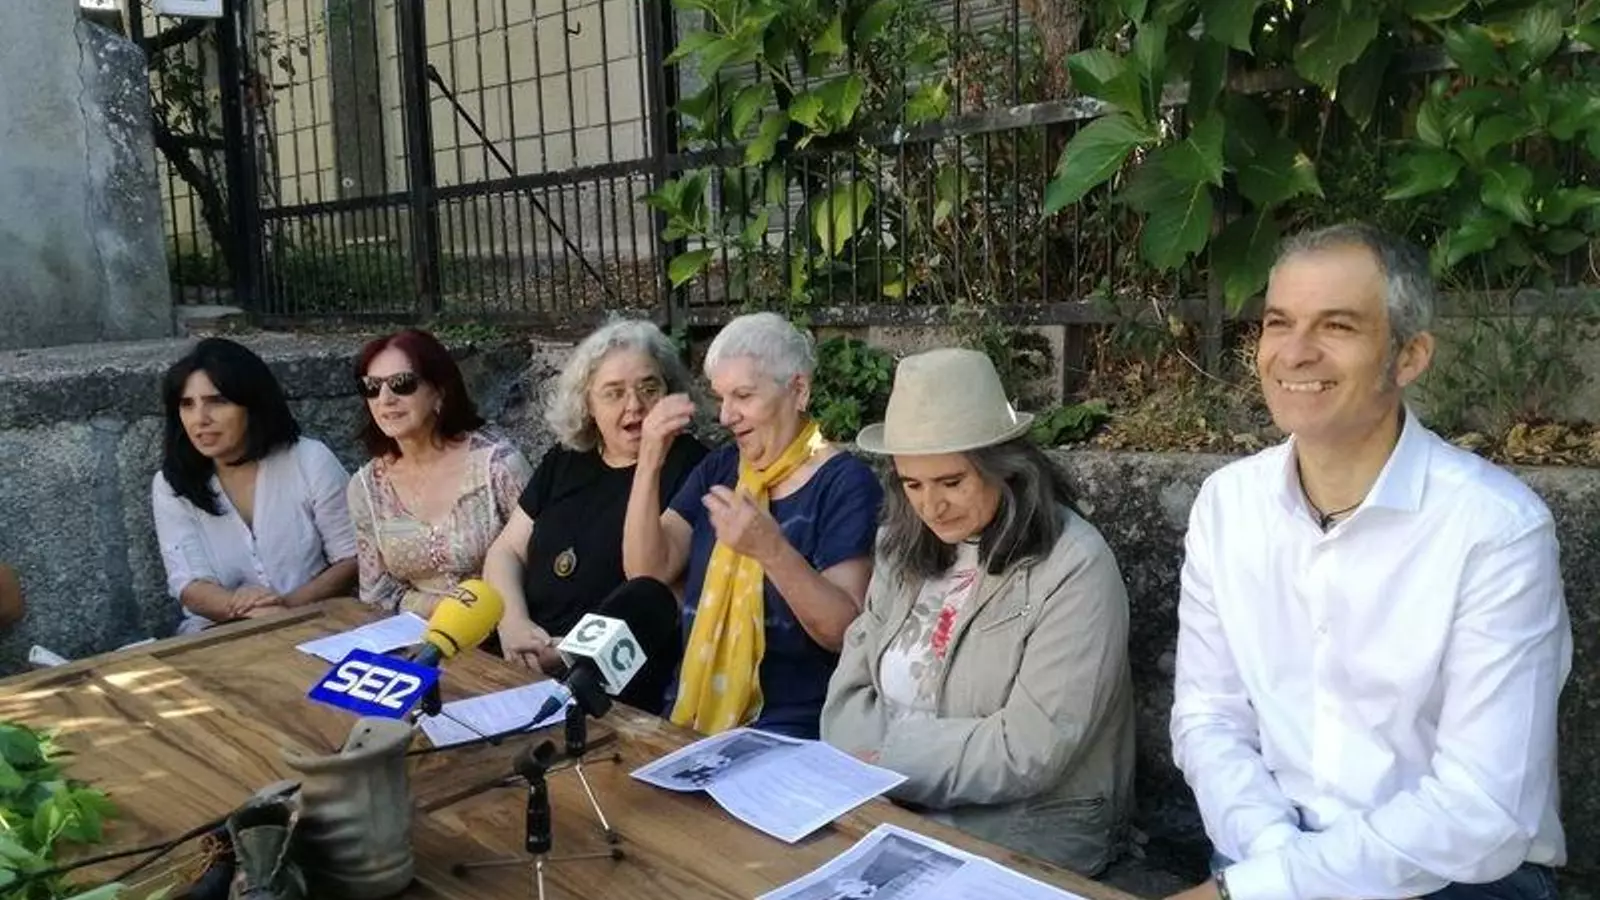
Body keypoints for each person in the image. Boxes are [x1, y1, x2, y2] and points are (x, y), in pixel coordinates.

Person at [1166, 223, 1570, 900]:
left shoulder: (1495, 530)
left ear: (1409, 356)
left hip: (1450, 878)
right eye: (1278, 322)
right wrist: (1276, 865)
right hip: (1265, 846)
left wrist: (1266, 888)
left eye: (1337, 326)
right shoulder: (1226, 505)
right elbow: (1208, 717)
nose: (1295, 352)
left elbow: (1483, 808)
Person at [821, 348, 1135, 877]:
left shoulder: (1075, 566)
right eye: (912, 484)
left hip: (1027, 822)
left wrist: (888, 759)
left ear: (1004, 467)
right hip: (891, 798)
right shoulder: (899, 548)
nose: (930, 506)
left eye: (951, 482)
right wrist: (873, 763)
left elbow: (1032, 747)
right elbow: (846, 699)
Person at [623, 312, 884, 738]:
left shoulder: (844, 482)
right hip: (690, 712)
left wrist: (771, 551)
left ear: (798, 390)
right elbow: (646, 571)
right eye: (721, 398)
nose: (726, 416)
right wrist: (650, 459)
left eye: (743, 396)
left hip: (792, 727)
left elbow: (844, 631)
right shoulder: (721, 468)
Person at [482, 319, 706, 712]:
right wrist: (513, 622)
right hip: (523, 658)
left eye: (649, 388)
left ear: (671, 393)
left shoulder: (694, 467)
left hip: (614, 687)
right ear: (587, 404)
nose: (634, 405)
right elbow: (506, 552)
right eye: (614, 393)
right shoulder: (565, 460)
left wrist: (569, 655)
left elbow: (660, 596)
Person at [152, 338, 358, 634]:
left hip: (317, 622)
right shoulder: (171, 483)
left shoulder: (309, 459)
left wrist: (284, 608)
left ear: (252, 405)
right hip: (221, 632)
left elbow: (351, 558)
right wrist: (243, 609)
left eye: (217, 401)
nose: (200, 419)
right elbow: (189, 584)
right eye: (187, 404)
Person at [347, 329, 532, 617]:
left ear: (439, 390)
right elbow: (376, 592)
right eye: (371, 386)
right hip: (416, 633)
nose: (385, 398)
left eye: (401, 384)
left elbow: (541, 562)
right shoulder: (367, 487)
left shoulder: (498, 466)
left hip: (506, 625)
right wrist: (441, 609)